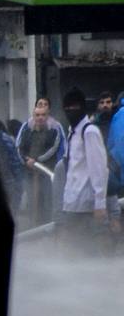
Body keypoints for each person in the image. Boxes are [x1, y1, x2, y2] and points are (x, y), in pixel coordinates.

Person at [60, 89, 109, 253]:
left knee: (87, 252)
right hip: (72, 203)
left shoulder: (89, 132)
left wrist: (100, 203)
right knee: (72, 253)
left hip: (86, 206)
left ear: (82, 107)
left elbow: (99, 169)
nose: (70, 111)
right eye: (67, 108)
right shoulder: (71, 132)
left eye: (74, 107)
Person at [18, 98, 64, 224]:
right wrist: (26, 160)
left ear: (47, 115)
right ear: (33, 116)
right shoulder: (27, 131)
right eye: (37, 115)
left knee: (47, 202)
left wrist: (37, 161)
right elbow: (20, 148)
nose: (40, 118)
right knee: (32, 203)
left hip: (46, 172)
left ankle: (48, 227)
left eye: (43, 115)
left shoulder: (54, 130)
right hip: (29, 172)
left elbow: (53, 149)